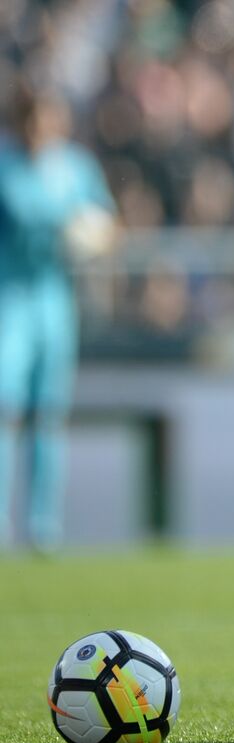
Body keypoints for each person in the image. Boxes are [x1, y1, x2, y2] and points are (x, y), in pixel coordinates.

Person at [0, 84, 116, 552]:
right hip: (9, 295)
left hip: (54, 298)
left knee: (48, 413)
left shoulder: (75, 166)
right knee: (5, 410)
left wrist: (96, 236)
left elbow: (107, 222)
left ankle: (43, 527)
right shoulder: (7, 167)